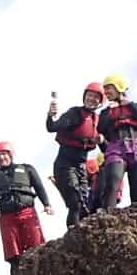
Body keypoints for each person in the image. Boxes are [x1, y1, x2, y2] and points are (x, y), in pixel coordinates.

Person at [0, 141, 53, 275]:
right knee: (13, 254)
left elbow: (39, 187)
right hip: (7, 218)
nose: (2, 158)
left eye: (4, 154)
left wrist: (47, 204)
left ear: (10, 155)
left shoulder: (27, 169)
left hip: (28, 213)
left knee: (37, 246)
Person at [45, 84, 105, 226]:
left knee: (85, 205)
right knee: (75, 203)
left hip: (81, 166)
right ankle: (72, 236)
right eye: (89, 95)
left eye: (96, 97)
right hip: (64, 164)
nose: (91, 99)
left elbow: (106, 148)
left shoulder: (98, 121)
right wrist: (50, 116)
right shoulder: (74, 114)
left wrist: (103, 140)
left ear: (100, 102)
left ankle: (81, 238)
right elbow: (52, 127)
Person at [96, 74, 137, 208]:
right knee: (112, 184)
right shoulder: (106, 112)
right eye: (105, 89)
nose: (106, 92)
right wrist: (110, 110)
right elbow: (101, 128)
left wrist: (130, 105)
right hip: (116, 148)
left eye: (109, 88)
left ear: (119, 87)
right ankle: (107, 217)